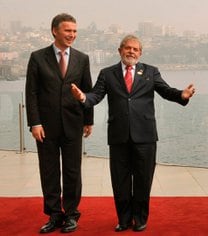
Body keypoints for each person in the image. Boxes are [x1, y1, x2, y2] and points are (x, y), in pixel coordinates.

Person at [70, 34, 195, 232]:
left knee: (143, 180)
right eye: (127, 48)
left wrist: (182, 95)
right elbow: (96, 95)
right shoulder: (107, 73)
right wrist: (83, 97)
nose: (131, 52)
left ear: (141, 53)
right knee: (120, 181)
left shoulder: (150, 72)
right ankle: (124, 219)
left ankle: (140, 218)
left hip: (145, 136)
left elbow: (165, 90)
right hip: (118, 136)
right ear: (120, 50)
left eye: (135, 49)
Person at [25, 13, 93, 233]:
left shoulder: (82, 59)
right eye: (68, 30)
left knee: (73, 172)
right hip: (45, 127)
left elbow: (87, 91)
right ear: (55, 30)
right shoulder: (37, 57)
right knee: (49, 172)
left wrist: (88, 120)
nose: (72, 35)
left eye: (74, 31)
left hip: (74, 124)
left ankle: (72, 215)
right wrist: (34, 123)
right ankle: (54, 215)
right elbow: (31, 93)